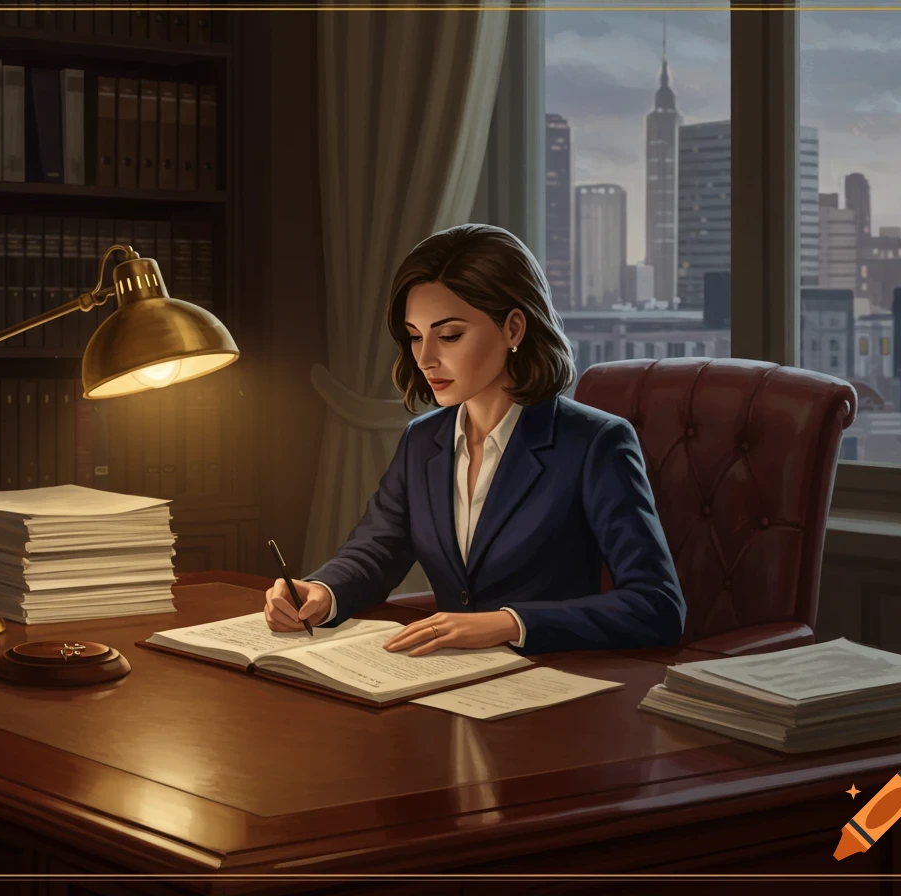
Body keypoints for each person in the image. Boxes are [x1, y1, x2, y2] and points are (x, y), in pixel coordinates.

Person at [263, 223, 685, 656]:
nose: (425, 358)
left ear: (513, 329)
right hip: (445, 676)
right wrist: (321, 591)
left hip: (553, 675)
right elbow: (377, 550)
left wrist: (509, 624)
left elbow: (656, 605)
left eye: (449, 336)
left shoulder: (595, 442)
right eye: (415, 336)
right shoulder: (423, 440)